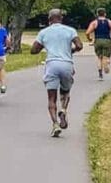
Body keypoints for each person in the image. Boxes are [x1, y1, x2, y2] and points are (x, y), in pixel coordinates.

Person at [31, 9, 83, 137]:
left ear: (49, 20)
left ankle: (55, 124)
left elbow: (34, 50)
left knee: (51, 98)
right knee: (65, 92)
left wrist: (44, 46)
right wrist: (72, 50)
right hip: (66, 64)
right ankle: (63, 110)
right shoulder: (70, 30)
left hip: (52, 65)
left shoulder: (44, 32)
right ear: (61, 18)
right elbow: (80, 45)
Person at [85, 8, 111, 79]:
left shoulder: (94, 22)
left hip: (98, 40)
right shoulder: (109, 22)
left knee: (99, 57)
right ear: (105, 14)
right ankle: (106, 64)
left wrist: (90, 39)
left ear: (97, 14)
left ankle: (100, 73)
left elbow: (87, 32)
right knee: (106, 56)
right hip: (107, 40)